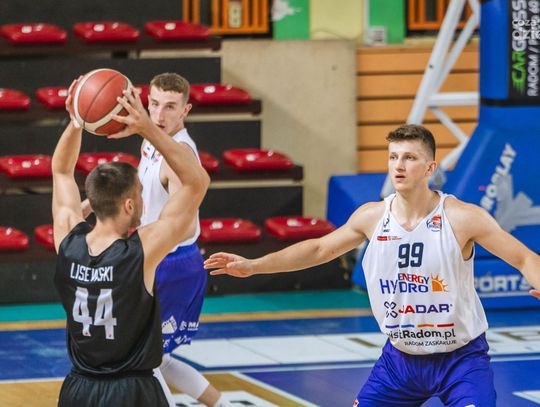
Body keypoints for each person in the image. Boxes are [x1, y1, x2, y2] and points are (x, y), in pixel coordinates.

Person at [204, 124, 540, 406]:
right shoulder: (372, 217)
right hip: (400, 361)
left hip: (460, 359)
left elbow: (524, 258)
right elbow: (319, 248)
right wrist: (254, 265)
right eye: (393, 157)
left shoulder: (462, 217)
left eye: (409, 158)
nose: (399, 166)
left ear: (430, 168)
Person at [53, 79, 209, 406]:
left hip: (78, 388)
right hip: (130, 391)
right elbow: (197, 182)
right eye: (139, 193)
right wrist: (147, 128)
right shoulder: (142, 253)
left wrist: (78, 120)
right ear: (129, 206)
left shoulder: (67, 241)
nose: (144, 199)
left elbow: (62, 172)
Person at [110, 72, 229, 407]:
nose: (159, 114)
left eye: (170, 107)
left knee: (141, 359)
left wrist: (144, 240)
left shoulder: (180, 156)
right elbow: (141, 186)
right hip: (161, 260)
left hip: (171, 264)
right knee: (157, 358)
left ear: (185, 110)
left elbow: (183, 225)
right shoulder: (152, 140)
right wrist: (95, 203)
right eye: (154, 104)